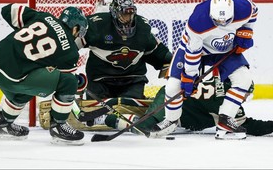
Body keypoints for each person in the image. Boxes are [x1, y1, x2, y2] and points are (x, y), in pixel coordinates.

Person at [149, 0, 258, 140]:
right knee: (173, 86)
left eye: (226, 21)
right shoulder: (198, 22)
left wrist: (246, 31)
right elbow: (193, 54)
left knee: (244, 79)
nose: (222, 24)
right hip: (197, 49)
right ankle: (170, 121)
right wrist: (189, 77)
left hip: (224, 48)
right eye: (218, 21)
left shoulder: (243, 8)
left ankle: (226, 120)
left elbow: (254, 12)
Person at [0, 4, 88, 145]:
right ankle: (58, 126)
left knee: (31, 85)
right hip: (15, 75)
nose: (78, 36)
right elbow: (69, 82)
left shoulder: (43, 16)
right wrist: (80, 82)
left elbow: (7, 10)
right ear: (75, 27)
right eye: (79, 32)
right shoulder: (70, 51)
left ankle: (4, 124)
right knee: (69, 82)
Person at [88, 69, 273, 138]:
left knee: (147, 109)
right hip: (173, 107)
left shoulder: (219, 82)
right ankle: (106, 118)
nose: (243, 98)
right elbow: (252, 127)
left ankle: (119, 104)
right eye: (243, 94)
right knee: (147, 129)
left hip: (171, 96)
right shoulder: (230, 108)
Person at [74, 0, 172, 100]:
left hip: (132, 79)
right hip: (100, 79)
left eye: (130, 14)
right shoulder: (96, 26)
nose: (128, 18)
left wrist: (171, 63)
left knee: (130, 111)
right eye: (124, 14)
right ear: (114, 13)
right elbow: (70, 47)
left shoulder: (142, 28)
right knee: (97, 113)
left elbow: (157, 52)